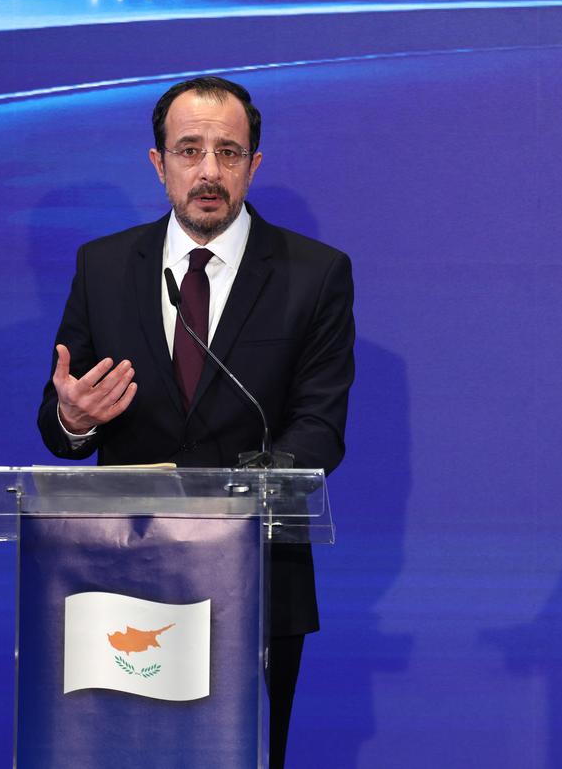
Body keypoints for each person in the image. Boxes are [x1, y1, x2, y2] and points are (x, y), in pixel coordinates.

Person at [37, 75, 355, 768]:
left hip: (257, 579)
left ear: (254, 164)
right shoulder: (104, 266)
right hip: (121, 576)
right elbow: (60, 421)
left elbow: (320, 427)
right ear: (158, 162)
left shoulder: (314, 274)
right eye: (189, 150)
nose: (209, 171)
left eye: (229, 152)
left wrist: (236, 495)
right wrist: (73, 416)